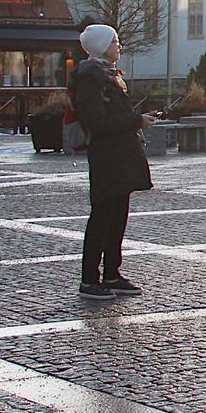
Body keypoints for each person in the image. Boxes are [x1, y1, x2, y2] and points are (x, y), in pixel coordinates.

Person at [70, 24, 155, 300]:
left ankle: (111, 274)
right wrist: (136, 120)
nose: (119, 45)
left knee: (118, 217)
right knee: (102, 218)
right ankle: (90, 279)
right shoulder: (91, 78)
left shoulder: (108, 75)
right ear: (100, 46)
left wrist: (138, 119)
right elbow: (96, 121)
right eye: (114, 41)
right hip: (107, 156)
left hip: (121, 155)